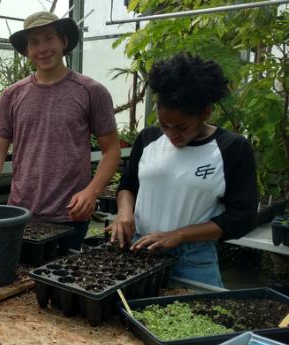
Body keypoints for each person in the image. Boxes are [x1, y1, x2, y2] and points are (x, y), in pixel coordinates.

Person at [0, 11, 121, 249]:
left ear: (64, 41)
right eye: (34, 42)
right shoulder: (12, 95)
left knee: (61, 282)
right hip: (21, 211)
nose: (42, 48)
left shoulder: (91, 91)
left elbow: (111, 150)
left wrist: (92, 192)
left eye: (49, 38)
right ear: (27, 51)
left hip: (70, 213)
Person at [108, 53, 257, 287]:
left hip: (192, 259)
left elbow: (242, 217)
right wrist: (124, 214)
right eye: (164, 124)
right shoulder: (148, 139)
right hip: (140, 249)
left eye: (182, 127)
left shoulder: (231, 148)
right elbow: (127, 185)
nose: (171, 134)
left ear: (205, 113)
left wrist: (179, 235)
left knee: (202, 320)